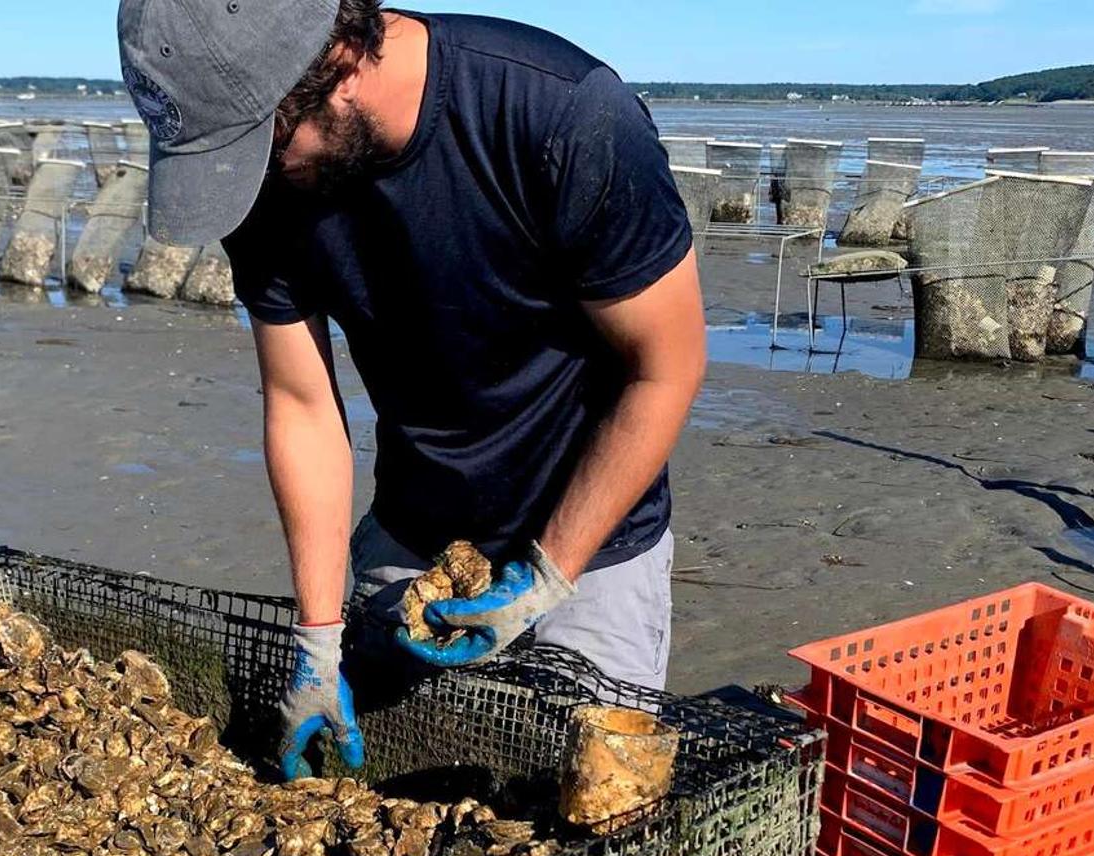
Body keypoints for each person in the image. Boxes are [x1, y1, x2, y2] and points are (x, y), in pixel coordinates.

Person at [117, 0, 705, 778]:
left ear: (339, 66)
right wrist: (318, 639)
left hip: (594, 550)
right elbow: (301, 404)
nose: (248, 177)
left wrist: (549, 574)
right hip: (412, 537)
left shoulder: (562, 114)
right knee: (381, 793)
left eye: (261, 147)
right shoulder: (261, 181)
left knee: (596, 803)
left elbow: (664, 368)